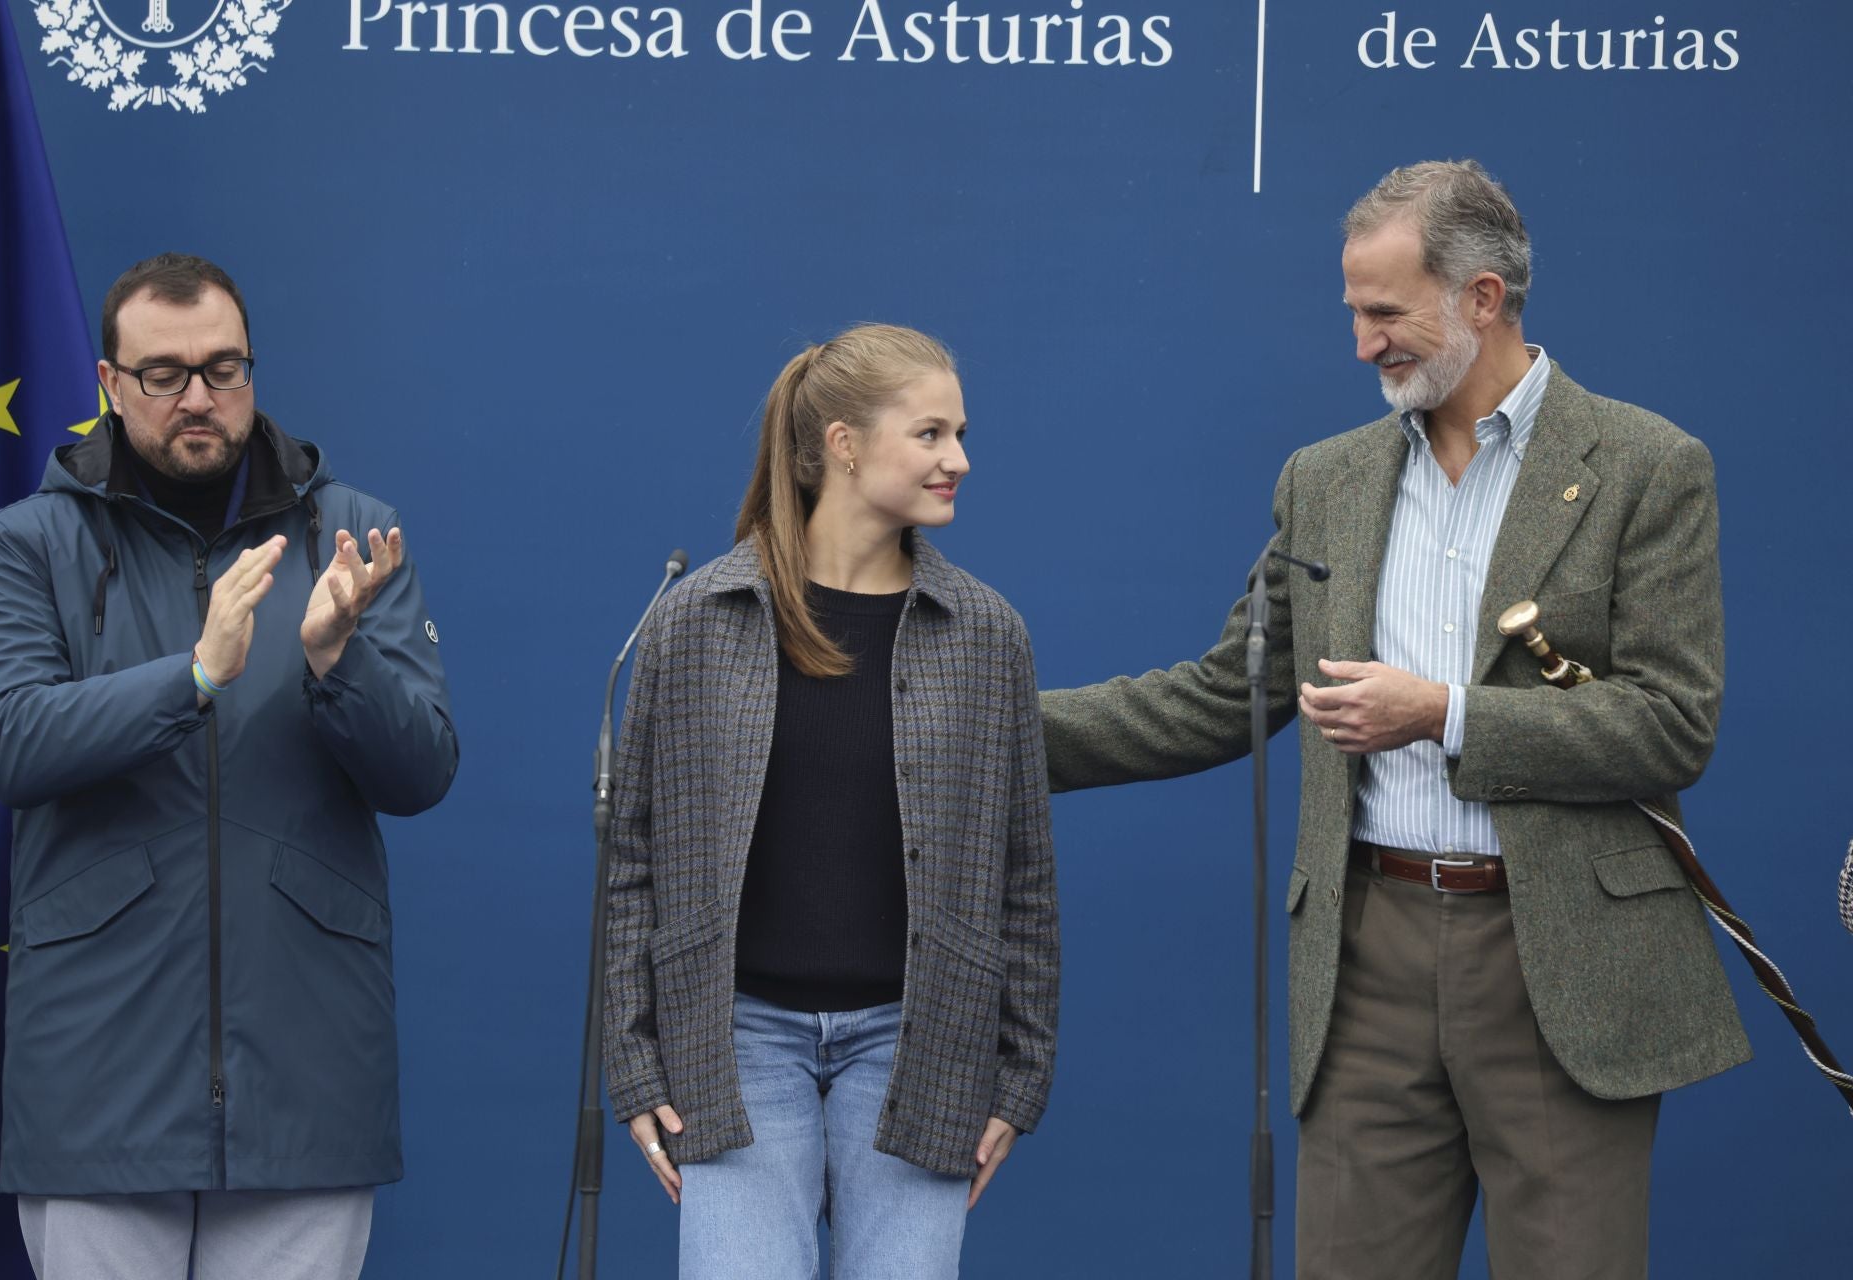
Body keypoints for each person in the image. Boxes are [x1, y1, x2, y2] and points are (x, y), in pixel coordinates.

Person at [1040, 161, 1747, 1279]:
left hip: (1562, 955)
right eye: (1354, 314)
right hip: (1365, 954)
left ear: (1482, 297)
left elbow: (1671, 725)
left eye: (1385, 313)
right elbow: (1230, 690)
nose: (1363, 344)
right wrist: (977, 726)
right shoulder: (1323, 480)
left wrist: (1446, 714)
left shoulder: (1648, 466)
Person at [0, 253, 458, 1279]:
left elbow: (422, 772)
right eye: (165, 374)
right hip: (98, 1080)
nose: (199, 397)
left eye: (224, 369)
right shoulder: (25, 543)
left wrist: (336, 659)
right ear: (109, 384)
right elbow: (7, 740)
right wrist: (191, 676)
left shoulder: (350, 534)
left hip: (305, 1076)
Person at [602, 324, 1059, 1278]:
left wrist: (1020, 1075)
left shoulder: (987, 634)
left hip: (920, 1039)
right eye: (930, 434)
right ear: (844, 445)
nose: (960, 460)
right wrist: (635, 1059)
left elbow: (1024, 871)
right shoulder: (695, 619)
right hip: (735, 1041)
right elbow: (633, 859)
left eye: (960, 433)